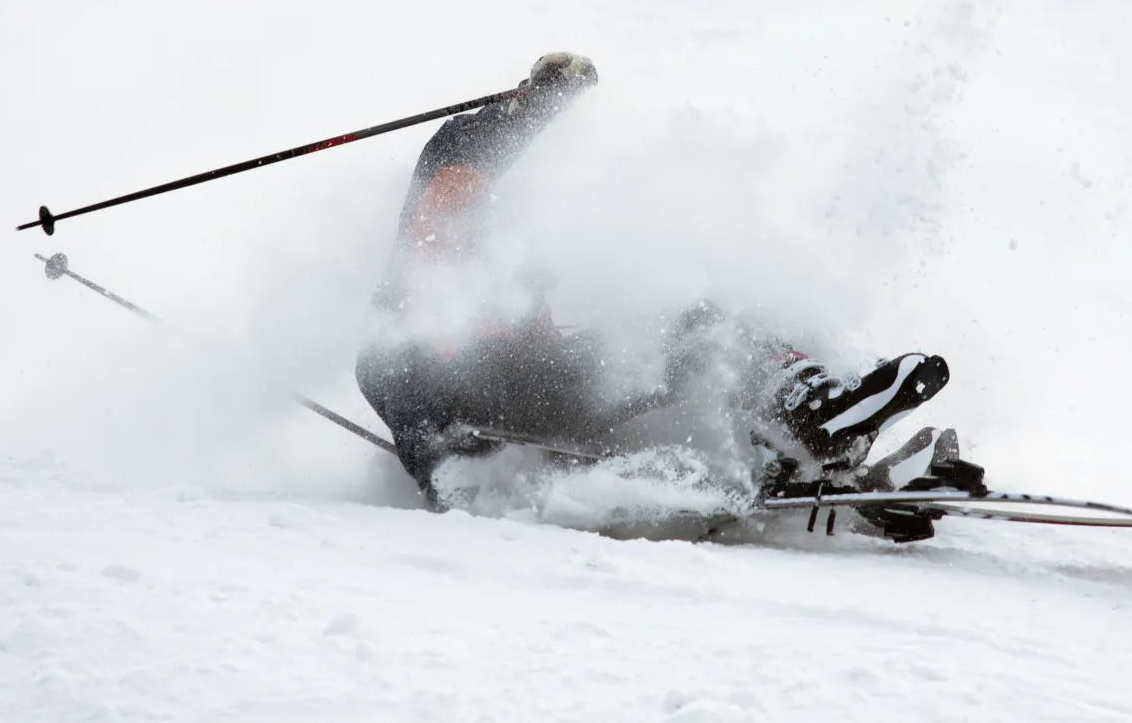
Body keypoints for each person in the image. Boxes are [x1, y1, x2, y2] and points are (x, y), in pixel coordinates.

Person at [356, 52, 963, 511]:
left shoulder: (502, 254)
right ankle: (816, 423)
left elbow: (522, 333)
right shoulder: (415, 316)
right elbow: (452, 203)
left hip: (515, 398)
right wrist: (531, 108)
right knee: (695, 332)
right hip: (468, 408)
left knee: (701, 328)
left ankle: (812, 439)